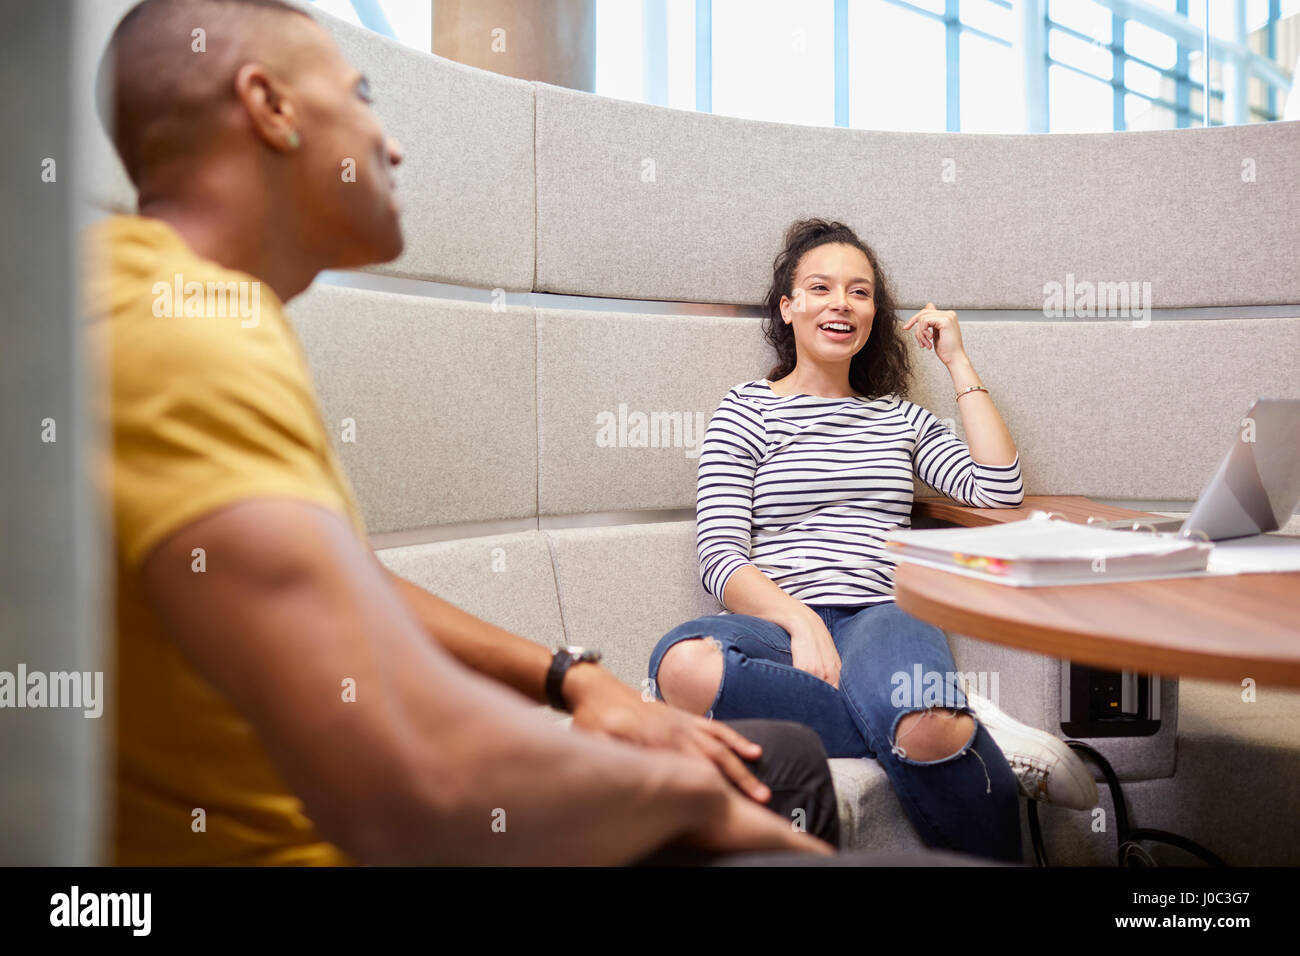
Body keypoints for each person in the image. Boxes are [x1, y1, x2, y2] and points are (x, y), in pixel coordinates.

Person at [86, 0, 840, 866]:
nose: (393, 143)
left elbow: (341, 584)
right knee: (768, 778)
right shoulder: (185, 336)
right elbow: (414, 787)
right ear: (270, 106)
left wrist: (571, 680)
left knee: (781, 758)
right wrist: (681, 794)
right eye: (362, 94)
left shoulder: (159, 299)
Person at [647, 218, 1098, 864]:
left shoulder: (898, 418)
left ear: (873, 314)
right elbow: (720, 557)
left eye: (859, 293)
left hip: (882, 616)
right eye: (821, 288)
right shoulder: (746, 409)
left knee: (926, 725)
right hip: (775, 625)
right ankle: (967, 734)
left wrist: (958, 361)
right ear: (789, 306)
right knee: (681, 665)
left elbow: (997, 488)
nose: (841, 303)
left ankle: (939, 725)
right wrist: (800, 622)